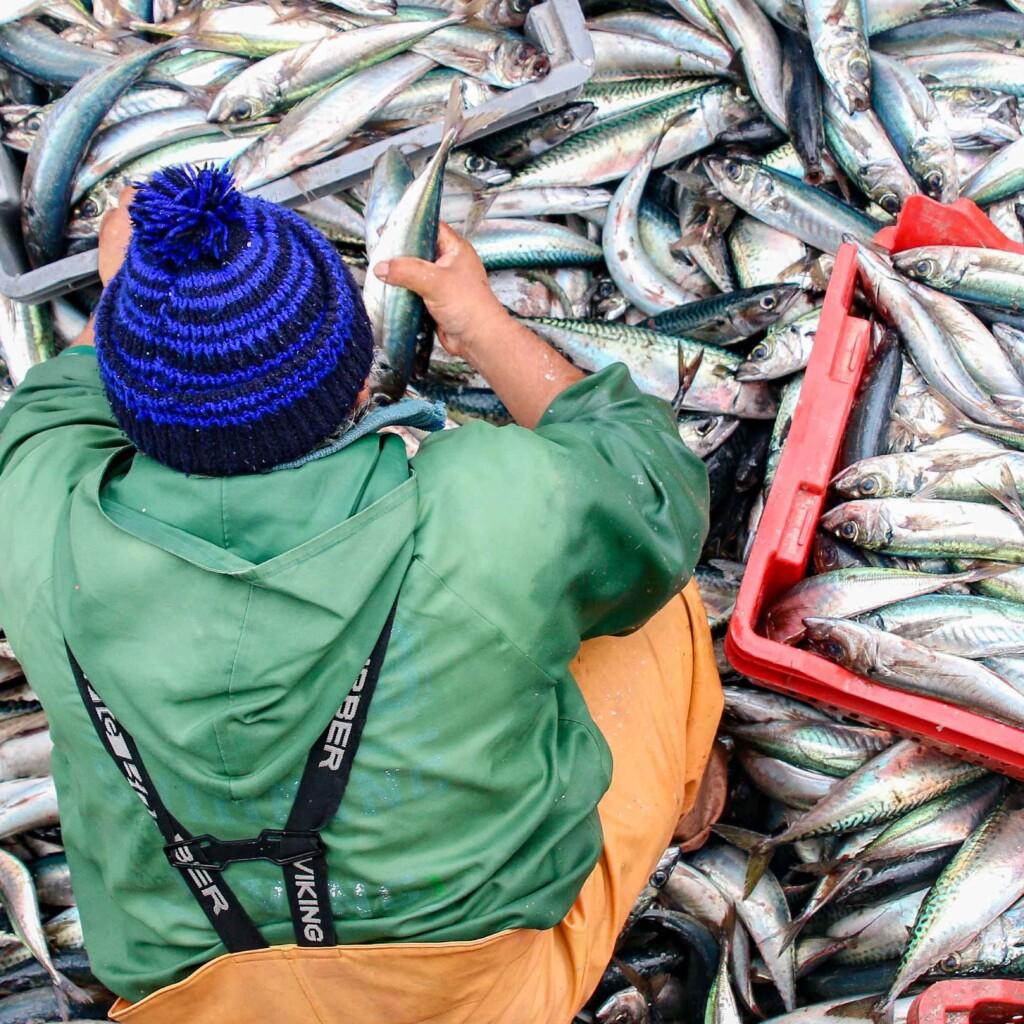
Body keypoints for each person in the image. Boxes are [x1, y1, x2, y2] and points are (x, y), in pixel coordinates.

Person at [0, 164, 722, 1024]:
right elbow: (652, 487)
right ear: (357, 379)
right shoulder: (488, 506)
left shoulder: (35, 516)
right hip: (475, 993)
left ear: (124, 399)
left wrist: (142, 293)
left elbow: (48, 410)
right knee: (651, 595)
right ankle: (691, 796)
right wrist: (480, 325)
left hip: (191, 1004)